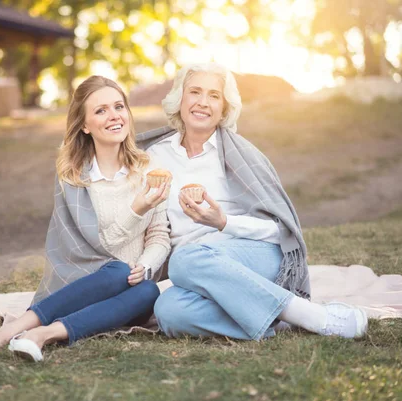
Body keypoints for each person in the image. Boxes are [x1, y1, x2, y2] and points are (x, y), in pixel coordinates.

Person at [138, 63, 368, 341]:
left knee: (186, 259)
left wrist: (223, 222)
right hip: (195, 272)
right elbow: (152, 227)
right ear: (180, 99)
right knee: (169, 311)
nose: (202, 102)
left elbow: (279, 231)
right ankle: (281, 320)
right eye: (194, 92)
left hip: (254, 255)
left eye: (214, 95)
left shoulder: (243, 156)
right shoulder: (155, 157)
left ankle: (315, 316)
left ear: (224, 107)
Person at [0, 76, 171, 361]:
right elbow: (100, 245)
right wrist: (136, 208)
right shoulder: (75, 179)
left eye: (118, 106)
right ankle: (6, 333)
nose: (114, 116)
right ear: (85, 125)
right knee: (115, 271)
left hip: (128, 290)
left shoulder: (149, 170)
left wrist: (145, 265)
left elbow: (160, 235)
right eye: (100, 110)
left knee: (149, 290)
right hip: (86, 282)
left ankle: (42, 334)